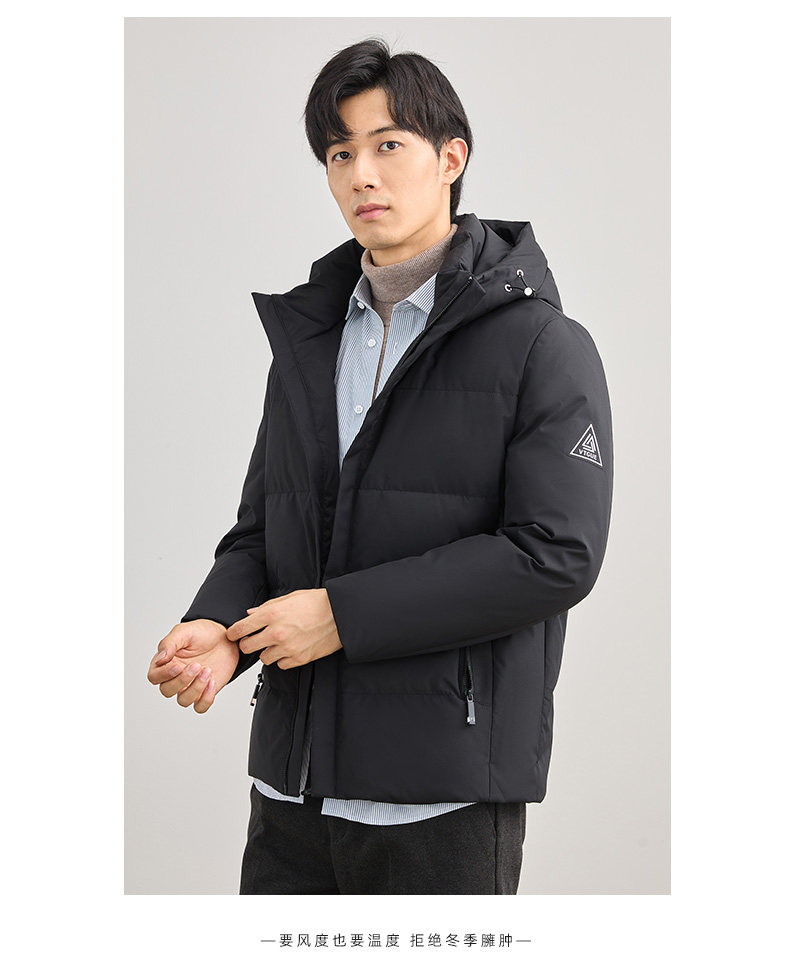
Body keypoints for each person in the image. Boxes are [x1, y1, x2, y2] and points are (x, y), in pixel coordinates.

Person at [147, 37, 614, 895]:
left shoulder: (543, 345)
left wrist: (342, 617)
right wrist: (220, 629)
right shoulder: (311, 341)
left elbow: (556, 553)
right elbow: (267, 525)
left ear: (451, 159)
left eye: (388, 145)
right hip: (290, 793)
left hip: (440, 794)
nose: (361, 174)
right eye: (339, 154)